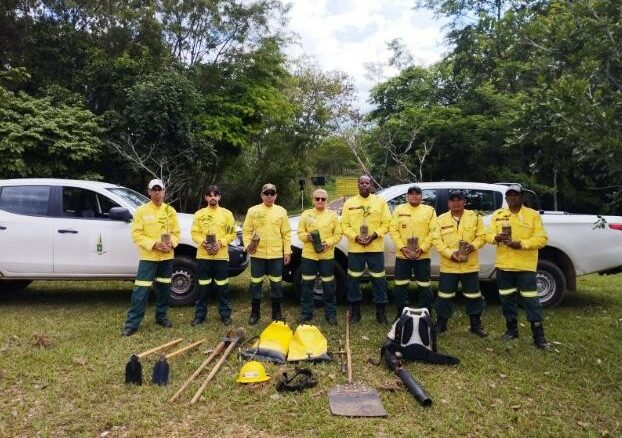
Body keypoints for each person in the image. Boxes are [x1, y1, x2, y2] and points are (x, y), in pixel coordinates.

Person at [487, 184, 550, 349]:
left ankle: (539, 336)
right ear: (506, 198)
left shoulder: (532, 215)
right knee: (507, 300)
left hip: (525, 267)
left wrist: (520, 244)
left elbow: (542, 239)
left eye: (516, 195)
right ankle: (511, 331)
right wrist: (496, 237)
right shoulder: (499, 215)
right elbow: (487, 235)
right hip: (504, 266)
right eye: (509, 195)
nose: (512, 198)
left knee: (531, 301)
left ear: (522, 198)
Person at [122, 178, 180, 336]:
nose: (157, 192)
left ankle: (161, 317)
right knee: (140, 290)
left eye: (159, 189)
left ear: (164, 191)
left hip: (166, 257)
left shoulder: (170, 211)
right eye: (153, 190)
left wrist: (172, 244)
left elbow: (176, 233)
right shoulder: (141, 211)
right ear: (148, 192)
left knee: (164, 289)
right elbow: (136, 234)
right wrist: (154, 244)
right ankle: (132, 324)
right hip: (149, 257)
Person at [432, 189, 488, 336]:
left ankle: (475, 324)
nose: (456, 202)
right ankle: (441, 323)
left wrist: (473, 246)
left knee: (473, 296)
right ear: (448, 203)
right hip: (449, 266)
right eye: (453, 200)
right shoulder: (440, 219)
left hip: (469, 266)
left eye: (459, 199)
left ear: (464, 201)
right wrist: (450, 254)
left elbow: (482, 237)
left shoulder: (475, 217)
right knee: (444, 295)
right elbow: (436, 240)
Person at [340, 175, 391, 324]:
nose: (364, 185)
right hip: (356, 249)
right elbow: (344, 225)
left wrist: (374, 235)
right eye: (361, 183)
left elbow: (387, 223)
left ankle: (380, 313)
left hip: (375, 248)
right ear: (358, 185)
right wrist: (355, 237)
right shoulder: (349, 203)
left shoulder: (380, 202)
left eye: (367, 183)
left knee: (379, 281)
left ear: (372, 185)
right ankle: (355, 312)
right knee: (353, 280)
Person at [242, 183, 291, 325]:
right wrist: (247, 246)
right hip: (258, 255)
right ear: (261, 195)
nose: (269, 196)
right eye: (266, 193)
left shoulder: (281, 211)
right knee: (256, 284)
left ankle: (277, 313)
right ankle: (254, 313)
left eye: (272, 193)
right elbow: (246, 232)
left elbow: (286, 234)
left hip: (276, 255)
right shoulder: (253, 211)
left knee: (276, 284)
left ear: (276, 195)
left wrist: (287, 251)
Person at [389, 185, 438, 318]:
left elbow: (434, 232)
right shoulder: (399, 209)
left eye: (417, 193)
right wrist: (402, 248)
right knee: (400, 285)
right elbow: (393, 230)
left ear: (421, 196)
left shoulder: (430, 210)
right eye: (411, 193)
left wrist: (421, 249)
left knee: (424, 285)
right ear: (407, 196)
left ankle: (426, 313)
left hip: (422, 256)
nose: (414, 196)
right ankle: (401, 313)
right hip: (402, 255)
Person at [190, 185, 236, 326]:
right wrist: (202, 242)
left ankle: (225, 315)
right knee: (203, 287)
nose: (213, 197)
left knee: (223, 287)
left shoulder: (227, 214)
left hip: (221, 256)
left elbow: (232, 233)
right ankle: (200, 315)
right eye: (210, 195)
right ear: (205, 198)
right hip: (203, 256)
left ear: (219, 197)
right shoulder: (199, 214)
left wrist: (221, 242)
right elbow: (194, 233)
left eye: (215, 195)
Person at [296, 188, 343, 325]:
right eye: (317, 198)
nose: (320, 201)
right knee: (307, 286)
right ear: (313, 200)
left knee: (328, 286)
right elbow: (299, 233)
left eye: (323, 199)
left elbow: (338, 235)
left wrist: (327, 243)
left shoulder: (332, 216)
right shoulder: (306, 214)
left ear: (327, 201)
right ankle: (306, 313)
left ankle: (330, 314)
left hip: (326, 256)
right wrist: (307, 237)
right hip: (309, 256)